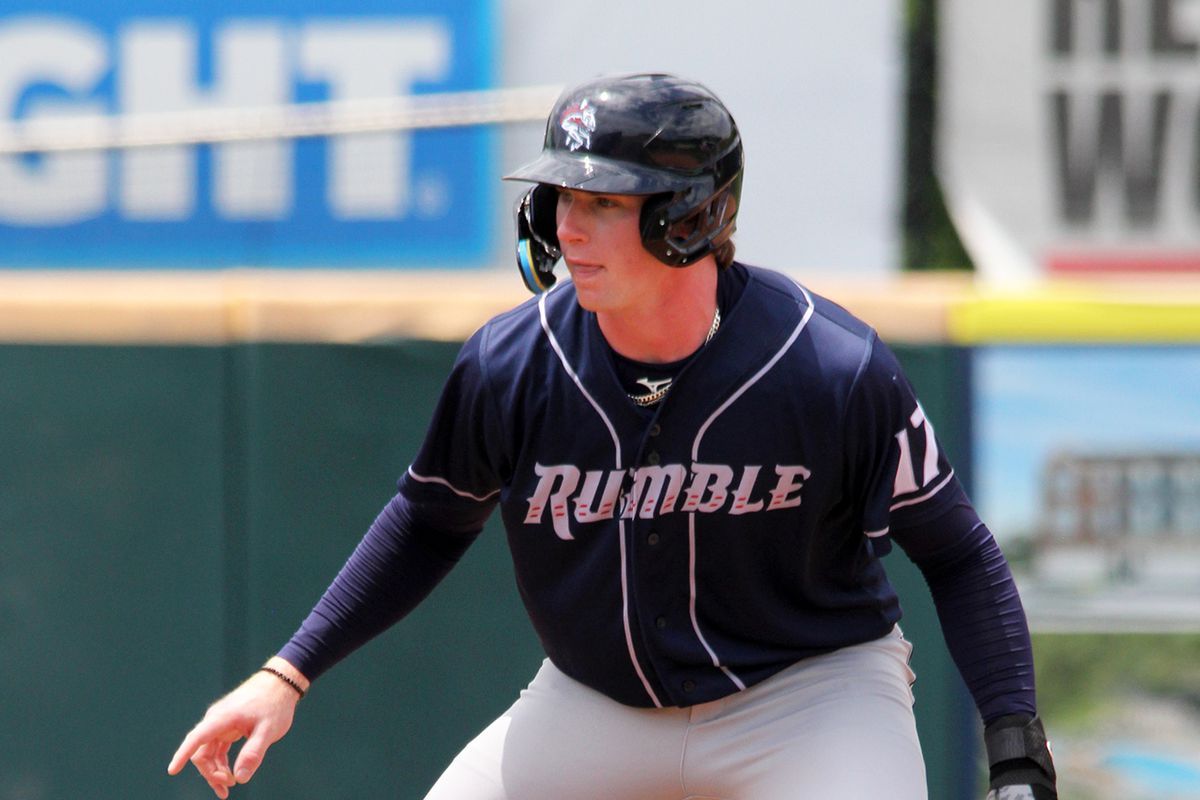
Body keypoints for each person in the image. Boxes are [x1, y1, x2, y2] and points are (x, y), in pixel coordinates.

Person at [168, 73, 1057, 800]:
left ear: (690, 218)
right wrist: (285, 675)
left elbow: (959, 554)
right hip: (595, 704)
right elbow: (427, 522)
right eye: (559, 195)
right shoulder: (512, 363)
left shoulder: (829, 366)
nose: (566, 225)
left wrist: (1016, 755)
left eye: (601, 200)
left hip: (807, 697)